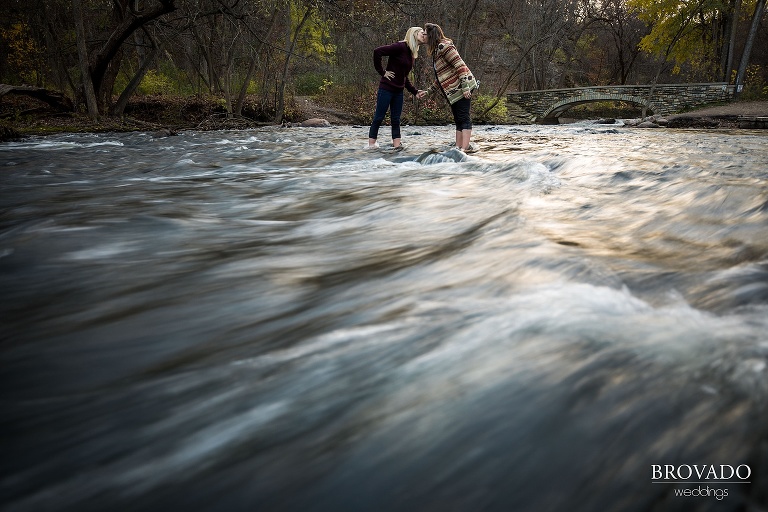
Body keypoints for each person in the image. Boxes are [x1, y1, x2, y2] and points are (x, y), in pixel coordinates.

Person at [417, 23, 479, 153]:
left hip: (462, 86)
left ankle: (465, 148)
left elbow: (460, 65)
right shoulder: (436, 51)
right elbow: (441, 77)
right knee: (457, 118)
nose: (423, 34)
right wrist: (428, 92)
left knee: (463, 116)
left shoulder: (444, 47)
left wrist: (466, 87)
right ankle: (458, 147)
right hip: (453, 89)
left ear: (431, 35)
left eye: (425, 33)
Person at [368, 27, 427, 150]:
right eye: (422, 33)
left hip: (398, 91)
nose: (424, 35)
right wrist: (382, 72)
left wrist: (414, 91)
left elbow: (404, 76)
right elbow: (377, 51)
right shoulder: (400, 46)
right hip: (386, 88)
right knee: (379, 117)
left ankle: (397, 147)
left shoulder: (411, 53)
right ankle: (371, 146)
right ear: (414, 34)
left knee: (396, 120)